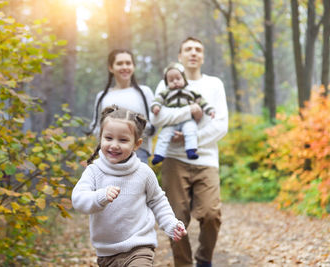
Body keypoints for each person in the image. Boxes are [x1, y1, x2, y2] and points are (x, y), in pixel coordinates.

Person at [72, 105, 187, 266]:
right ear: (101, 138)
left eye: (123, 140)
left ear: (137, 144)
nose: (114, 145)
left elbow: (157, 200)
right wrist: (100, 196)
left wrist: (170, 223)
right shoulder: (94, 171)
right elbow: (78, 199)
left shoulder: (143, 172)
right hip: (107, 253)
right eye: (108, 138)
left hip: (139, 247)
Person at [150, 37, 229, 267]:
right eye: (188, 49)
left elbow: (221, 125)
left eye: (198, 49)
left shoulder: (214, 84)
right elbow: (157, 117)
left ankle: (204, 260)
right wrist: (189, 111)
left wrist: (188, 138)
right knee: (176, 219)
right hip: (173, 159)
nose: (193, 53)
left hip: (206, 159)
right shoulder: (168, 80)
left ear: (202, 56)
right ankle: (183, 264)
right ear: (180, 56)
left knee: (211, 215)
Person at [88, 49, 155, 164]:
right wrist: (108, 142)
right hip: (110, 154)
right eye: (119, 63)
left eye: (128, 63)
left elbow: (154, 123)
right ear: (111, 68)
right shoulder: (103, 96)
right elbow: (95, 126)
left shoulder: (145, 92)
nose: (124, 67)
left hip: (139, 154)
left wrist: (134, 135)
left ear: (133, 66)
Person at [150, 62, 215, 165]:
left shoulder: (191, 91)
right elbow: (157, 100)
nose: (175, 82)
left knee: (191, 131)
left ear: (184, 79)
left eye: (178, 78)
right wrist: (156, 107)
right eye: (171, 80)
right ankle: (159, 155)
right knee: (163, 135)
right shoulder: (165, 92)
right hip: (171, 122)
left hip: (188, 120)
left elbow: (202, 101)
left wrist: (210, 110)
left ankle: (191, 150)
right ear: (167, 83)